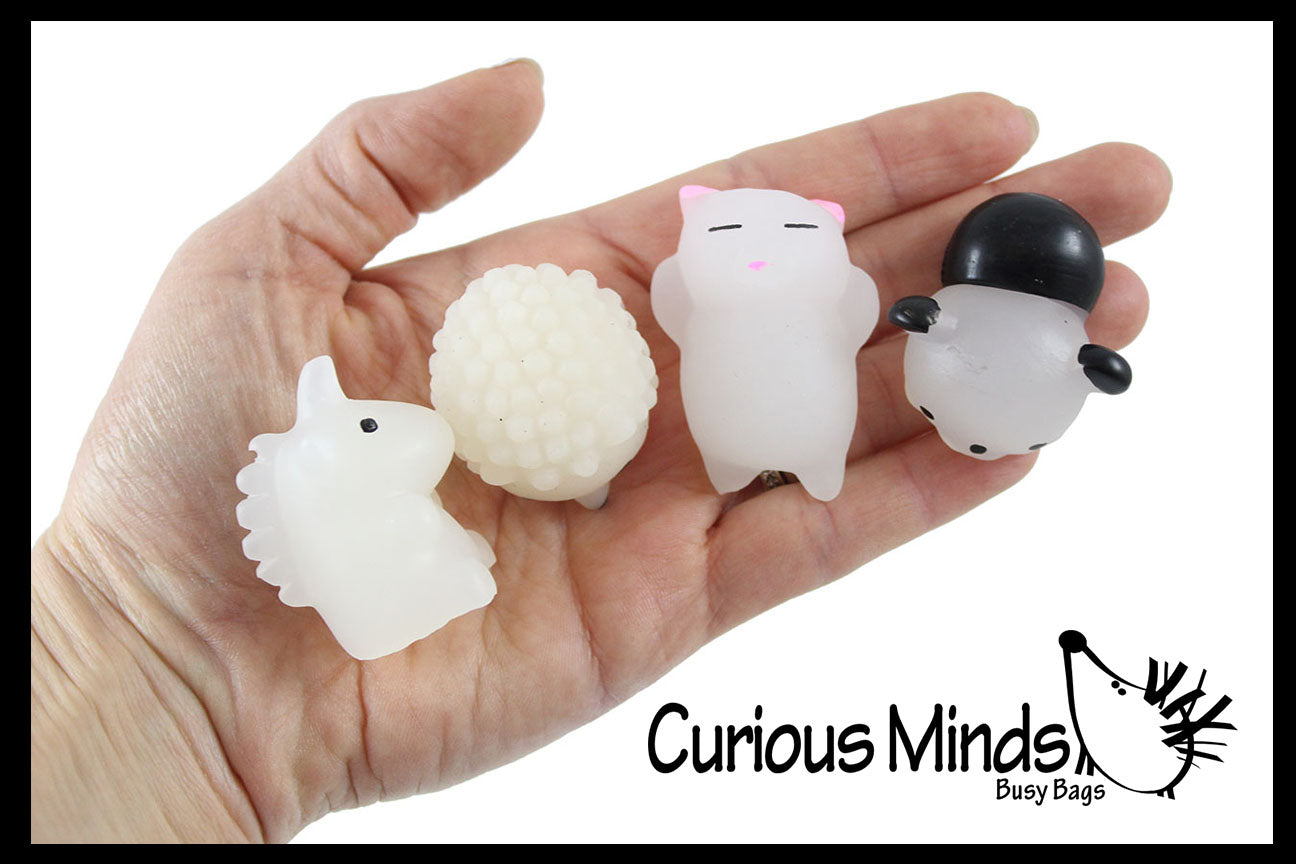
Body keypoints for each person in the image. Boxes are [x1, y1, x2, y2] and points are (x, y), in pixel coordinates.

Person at [29, 59, 1169, 842]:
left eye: (788, 239)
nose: (760, 254)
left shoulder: (832, 294)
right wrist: (132, 639)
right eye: (734, 234)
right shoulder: (682, 293)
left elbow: (841, 312)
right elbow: (690, 306)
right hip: (687, 434)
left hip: (789, 421)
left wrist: (133, 666)